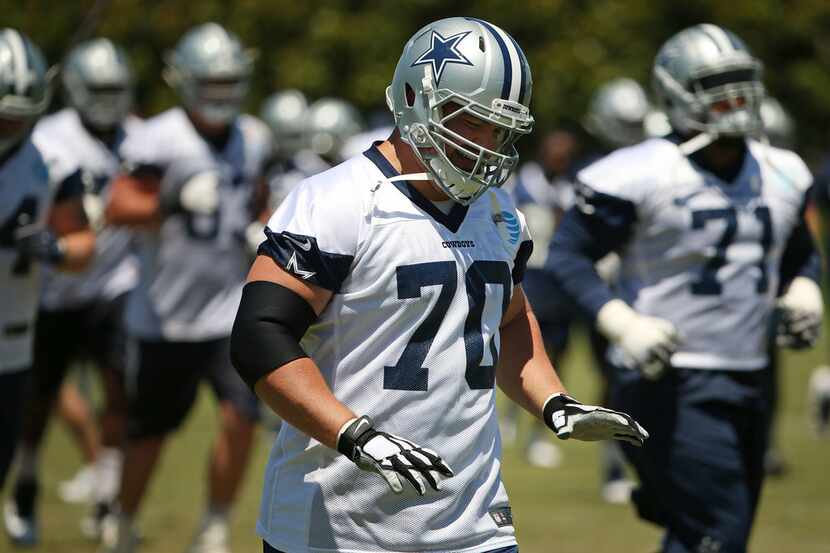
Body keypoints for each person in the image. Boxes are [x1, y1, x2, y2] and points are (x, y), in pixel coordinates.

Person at [230, 17, 648, 553]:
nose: (486, 144)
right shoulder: (337, 200)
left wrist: (554, 401)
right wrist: (354, 433)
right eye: (472, 121)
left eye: (500, 129)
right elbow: (260, 336)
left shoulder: (497, 211)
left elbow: (509, 318)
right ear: (414, 97)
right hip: (338, 525)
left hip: (474, 523)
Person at [547, 23, 822, 553]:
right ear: (677, 93)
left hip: (751, 377)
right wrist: (622, 322)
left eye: (741, 84)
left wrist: (805, 286)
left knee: (712, 532)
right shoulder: (638, 173)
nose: (734, 99)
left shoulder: (783, 171)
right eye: (716, 85)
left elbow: (798, 254)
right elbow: (568, 256)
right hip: (669, 378)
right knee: (718, 528)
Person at [100, 22, 272, 553]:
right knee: (149, 433)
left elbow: (259, 198)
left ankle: (216, 524)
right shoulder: (158, 137)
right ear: (188, 81)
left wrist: (263, 227)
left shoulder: (254, 136)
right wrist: (172, 202)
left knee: (241, 417)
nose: (221, 95)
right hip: (164, 315)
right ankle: (123, 520)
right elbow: (117, 206)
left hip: (228, 310)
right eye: (211, 83)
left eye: (229, 83)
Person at [5, 38, 139, 546]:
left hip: (112, 284)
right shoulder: (48, 138)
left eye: (115, 89)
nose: (107, 99)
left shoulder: (140, 136)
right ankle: (26, 481)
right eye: (98, 88)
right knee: (35, 401)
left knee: (120, 392)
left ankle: (107, 497)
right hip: (48, 290)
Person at [1, 27, 96, 543]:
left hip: (11, 345)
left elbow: (83, 245)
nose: (11, 124)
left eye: (20, 114)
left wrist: (54, 249)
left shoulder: (51, 163)